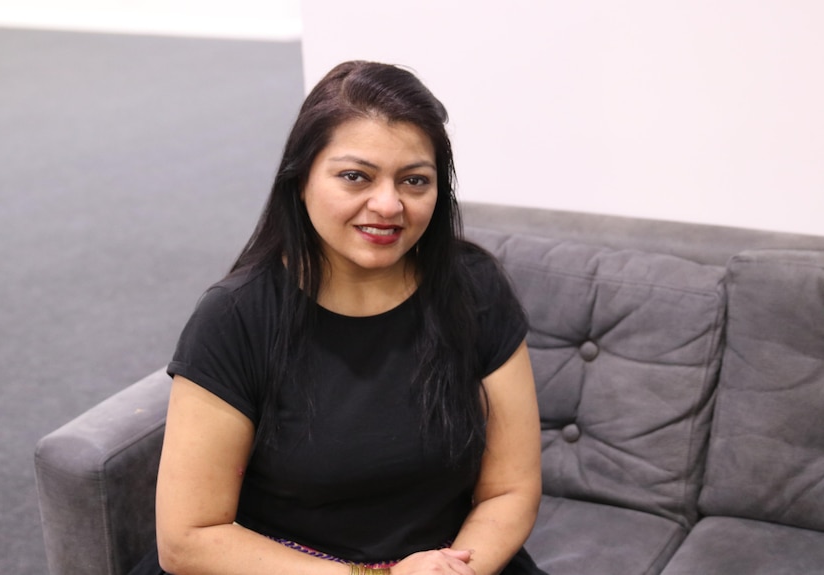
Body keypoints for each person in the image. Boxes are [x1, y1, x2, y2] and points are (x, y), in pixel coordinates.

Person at [133, 60, 545, 575]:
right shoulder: (235, 317)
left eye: (415, 180)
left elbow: (511, 488)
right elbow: (189, 538)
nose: (388, 204)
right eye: (356, 176)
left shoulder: (473, 286)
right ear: (300, 179)